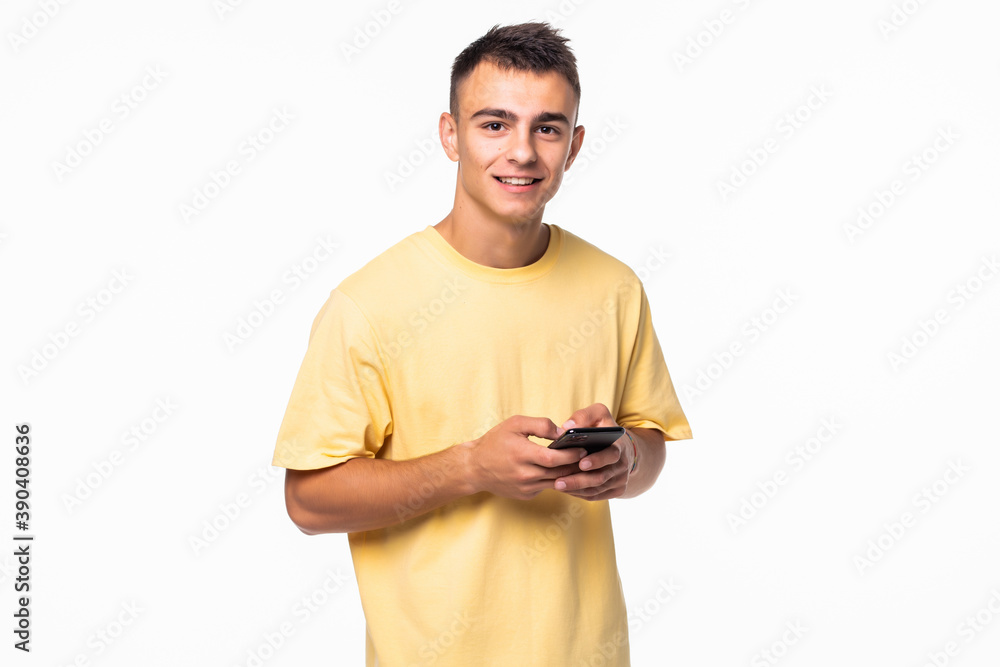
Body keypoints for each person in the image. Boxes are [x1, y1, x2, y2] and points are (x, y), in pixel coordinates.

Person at [272, 21, 692, 667]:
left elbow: (652, 442)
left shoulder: (615, 288)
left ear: (573, 146)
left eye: (546, 128)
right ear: (450, 134)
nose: (521, 151)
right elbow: (307, 499)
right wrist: (470, 467)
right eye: (494, 124)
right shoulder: (369, 304)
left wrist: (625, 460)